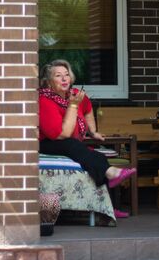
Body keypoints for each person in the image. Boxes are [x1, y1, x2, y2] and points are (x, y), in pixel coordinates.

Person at [39, 59, 136, 218]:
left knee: (95, 155)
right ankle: (110, 174)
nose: (64, 79)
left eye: (66, 75)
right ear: (48, 82)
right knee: (73, 145)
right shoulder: (44, 100)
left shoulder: (76, 95)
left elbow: (88, 109)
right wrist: (72, 106)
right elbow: (61, 134)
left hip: (69, 143)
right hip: (49, 142)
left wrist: (93, 131)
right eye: (58, 76)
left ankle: (108, 206)